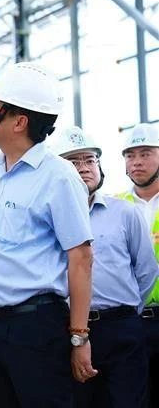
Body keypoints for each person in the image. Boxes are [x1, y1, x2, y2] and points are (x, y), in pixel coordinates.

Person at [0, 62, 95, 407]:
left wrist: (80, 338)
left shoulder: (58, 176)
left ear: (19, 122)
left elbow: (80, 258)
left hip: (34, 327)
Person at [52, 125, 158, 407]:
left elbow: (146, 270)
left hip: (121, 328)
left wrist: (127, 313)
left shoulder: (125, 212)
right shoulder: (45, 219)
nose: (84, 167)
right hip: (68, 331)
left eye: (89, 160)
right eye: (73, 162)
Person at [116, 122, 159, 406]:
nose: (137, 162)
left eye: (145, 153)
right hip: (128, 323)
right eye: (130, 155)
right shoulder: (113, 206)